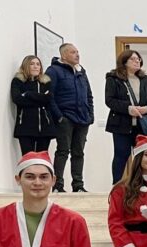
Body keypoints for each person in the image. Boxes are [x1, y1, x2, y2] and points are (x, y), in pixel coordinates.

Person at [104, 49, 147, 184]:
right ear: (124, 62)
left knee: (143, 155)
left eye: (138, 59)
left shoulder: (145, 80)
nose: (137, 61)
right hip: (121, 124)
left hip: (141, 126)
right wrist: (128, 109)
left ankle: (143, 185)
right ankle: (116, 186)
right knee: (121, 155)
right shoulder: (113, 78)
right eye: (133, 59)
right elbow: (110, 100)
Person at [46, 43, 94, 192]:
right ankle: (57, 185)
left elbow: (89, 95)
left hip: (83, 119)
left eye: (77, 52)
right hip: (65, 118)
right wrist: (59, 117)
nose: (77, 55)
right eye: (73, 52)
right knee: (63, 151)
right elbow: (49, 96)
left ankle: (78, 186)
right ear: (64, 55)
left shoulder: (81, 71)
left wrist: (90, 115)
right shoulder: (53, 70)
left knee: (79, 153)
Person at [11, 55, 57, 154]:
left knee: (42, 159)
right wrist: (40, 98)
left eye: (38, 64)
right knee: (28, 158)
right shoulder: (18, 81)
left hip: (45, 128)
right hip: (25, 127)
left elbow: (48, 99)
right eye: (32, 64)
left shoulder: (45, 82)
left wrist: (28, 94)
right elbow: (18, 99)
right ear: (26, 66)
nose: (36, 66)